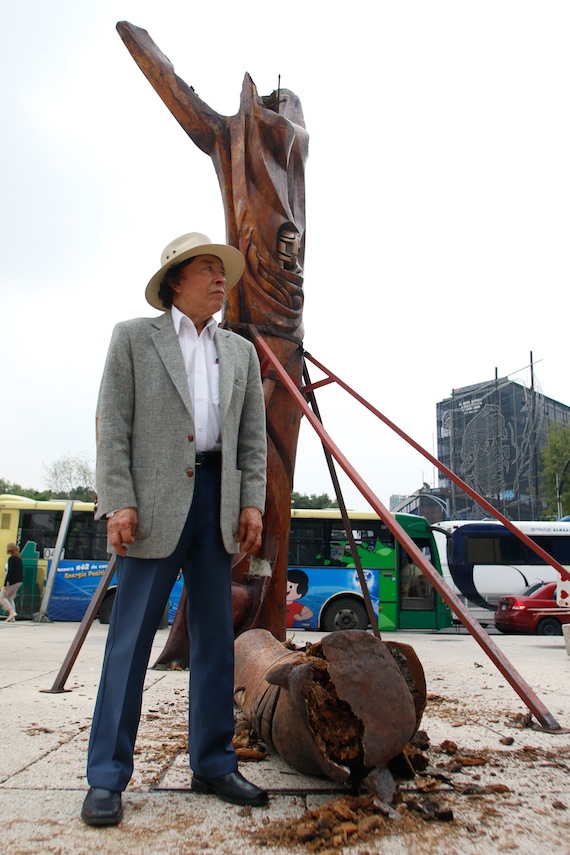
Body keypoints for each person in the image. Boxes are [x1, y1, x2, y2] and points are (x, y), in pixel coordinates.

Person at [81, 232, 268, 827]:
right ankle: (107, 777)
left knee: (216, 640)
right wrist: (119, 501)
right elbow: (113, 424)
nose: (222, 280)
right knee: (130, 640)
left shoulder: (239, 352)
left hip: (218, 501)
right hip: (153, 504)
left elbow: (250, 440)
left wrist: (252, 504)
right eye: (210, 269)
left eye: (223, 271)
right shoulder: (135, 338)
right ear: (176, 280)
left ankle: (213, 762)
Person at [0, 543, 23, 621]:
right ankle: (12, 618)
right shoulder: (18, 558)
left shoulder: (12, 559)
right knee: (10, 597)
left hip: (12, 581)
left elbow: (10, 572)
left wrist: (6, 583)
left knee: (1, 596)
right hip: (19, 581)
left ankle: (11, 612)